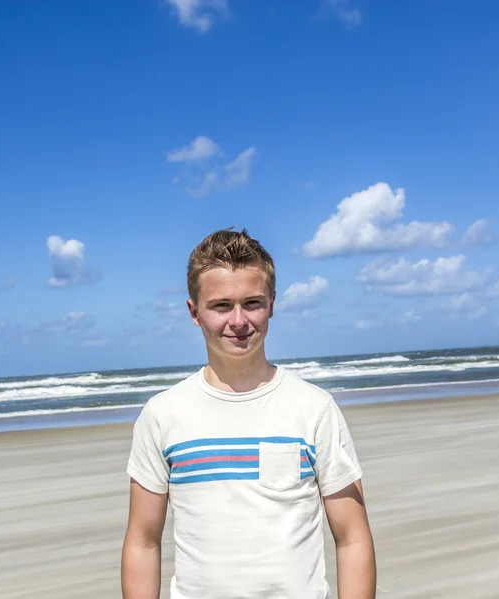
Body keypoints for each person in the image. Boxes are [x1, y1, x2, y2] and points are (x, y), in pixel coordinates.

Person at [121, 228, 376, 599]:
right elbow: (143, 543)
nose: (238, 321)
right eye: (221, 306)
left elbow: (352, 537)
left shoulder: (314, 408)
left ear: (272, 303)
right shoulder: (162, 414)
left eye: (252, 303)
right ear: (195, 311)